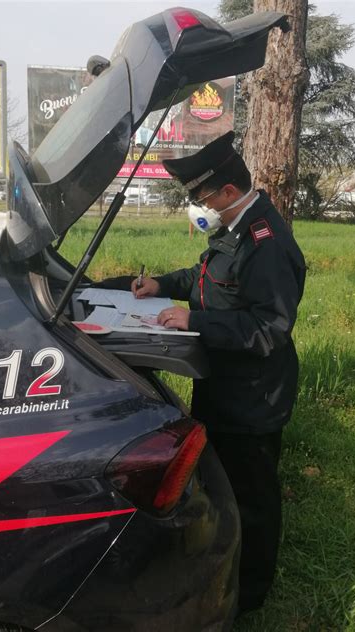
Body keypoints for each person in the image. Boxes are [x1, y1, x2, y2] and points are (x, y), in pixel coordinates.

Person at [130, 130, 306, 613]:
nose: (196, 205)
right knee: (226, 487)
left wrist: (196, 320)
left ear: (229, 191)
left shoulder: (265, 242)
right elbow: (205, 277)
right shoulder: (233, 228)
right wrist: (162, 285)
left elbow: (269, 328)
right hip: (223, 386)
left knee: (253, 497)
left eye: (200, 196)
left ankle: (250, 597)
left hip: (252, 400)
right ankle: (230, 561)